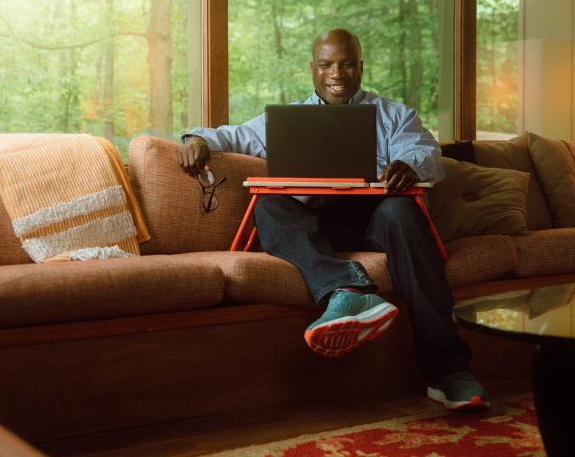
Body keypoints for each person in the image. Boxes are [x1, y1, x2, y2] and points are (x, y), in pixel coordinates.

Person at [177, 28, 489, 411]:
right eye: (326, 64)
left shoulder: (395, 115)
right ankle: (346, 291)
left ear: (360, 67)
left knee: (403, 211)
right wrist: (195, 138)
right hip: (314, 224)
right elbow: (232, 136)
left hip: (379, 219)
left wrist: (409, 164)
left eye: (345, 64)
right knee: (268, 205)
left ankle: (448, 370)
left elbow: (423, 152)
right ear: (312, 69)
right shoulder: (285, 120)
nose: (336, 74)